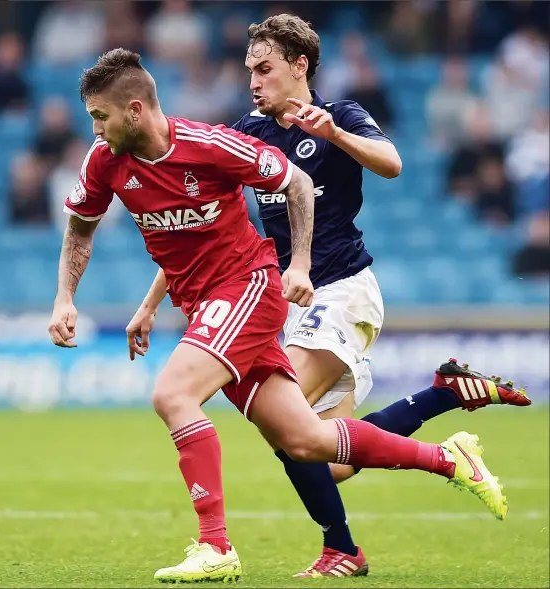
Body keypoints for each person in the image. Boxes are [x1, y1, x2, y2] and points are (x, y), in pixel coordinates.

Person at [48, 49, 509, 584]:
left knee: (173, 394)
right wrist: (71, 298)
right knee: (308, 444)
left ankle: (217, 545)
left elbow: (295, 182)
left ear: (133, 109)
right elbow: (83, 228)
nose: (96, 130)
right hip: (208, 302)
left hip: (258, 287)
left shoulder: (211, 144)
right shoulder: (104, 162)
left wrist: (301, 265)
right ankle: (447, 460)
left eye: (100, 117)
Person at [232, 14, 531, 578]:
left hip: (343, 291)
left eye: (265, 69)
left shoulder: (340, 115)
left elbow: (391, 163)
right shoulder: (250, 133)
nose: (253, 81)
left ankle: (347, 544)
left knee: (283, 411)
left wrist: (334, 137)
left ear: (299, 66)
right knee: (325, 457)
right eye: (249, 69)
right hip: (295, 304)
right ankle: (443, 396)